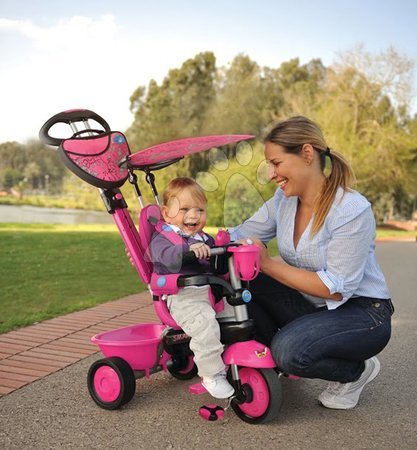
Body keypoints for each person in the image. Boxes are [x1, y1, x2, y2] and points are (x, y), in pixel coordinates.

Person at [228, 116, 394, 410]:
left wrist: (266, 263)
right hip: (314, 307)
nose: (270, 174)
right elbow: (239, 235)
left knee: (289, 351)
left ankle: (356, 371)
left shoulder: (350, 210)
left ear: (306, 154)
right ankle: (277, 355)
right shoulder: (283, 201)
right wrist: (177, 242)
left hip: (364, 313)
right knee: (240, 280)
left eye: (276, 163)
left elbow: (336, 289)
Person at [150, 177, 234, 399]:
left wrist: (226, 247)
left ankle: (236, 358)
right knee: (205, 325)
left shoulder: (205, 238)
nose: (194, 215)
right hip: (182, 296)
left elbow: (217, 263)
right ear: (167, 213)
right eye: (185, 209)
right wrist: (187, 249)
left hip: (211, 291)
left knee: (239, 312)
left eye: (200, 210)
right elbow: (166, 258)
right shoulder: (163, 238)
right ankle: (212, 374)